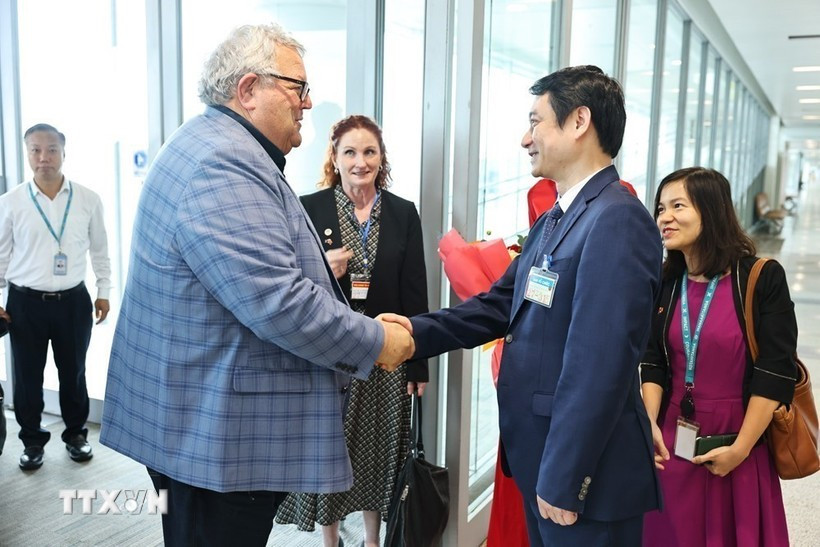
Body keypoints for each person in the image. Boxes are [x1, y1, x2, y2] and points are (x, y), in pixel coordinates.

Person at [99, 23, 414, 546]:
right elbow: (279, 302)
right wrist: (377, 342)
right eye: (297, 87)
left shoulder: (218, 145)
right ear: (248, 90)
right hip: (213, 438)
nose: (307, 103)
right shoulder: (221, 164)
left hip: (202, 422)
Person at [383, 65, 663, 546]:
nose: (524, 138)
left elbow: (599, 364)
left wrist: (564, 476)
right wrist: (413, 332)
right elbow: (500, 306)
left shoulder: (616, 221)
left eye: (535, 122)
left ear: (578, 122)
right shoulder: (559, 217)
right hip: (544, 459)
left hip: (582, 476)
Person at [275, 115, 429, 547]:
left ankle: (372, 539)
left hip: (385, 355)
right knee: (331, 451)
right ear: (335, 158)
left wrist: (419, 366)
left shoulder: (402, 213)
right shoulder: (310, 207)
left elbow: (415, 291)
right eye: (350, 152)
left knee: (378, 452)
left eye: (369, 152)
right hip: (330, 354)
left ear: (381, 158)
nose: (360, 162)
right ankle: (329, 540)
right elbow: (288, 279)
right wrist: (325, 267)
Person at [641, 167, 795, 546]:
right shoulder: (666, 282)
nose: (665, 217)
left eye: (678, 205)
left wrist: (740, 449)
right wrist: (649, 423)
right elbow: (654, 360)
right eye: (661, 208)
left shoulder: (761, 277)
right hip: (672, 436)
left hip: (738, 437)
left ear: (711, 210)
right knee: (670, 533)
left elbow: (775, 371)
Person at [0, 123, 111, 471]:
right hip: (24, 303)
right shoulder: (11, 202)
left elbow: (101, 251)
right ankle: (32, 441)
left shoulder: (88, 199)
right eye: (35, 150)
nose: (43, 157)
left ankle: (76, 435)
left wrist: (103, 291)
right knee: (28, 375)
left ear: (64, 153)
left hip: (74, 302)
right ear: (27, 153)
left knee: (73, 372)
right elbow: (1, 255)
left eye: (51, 149)